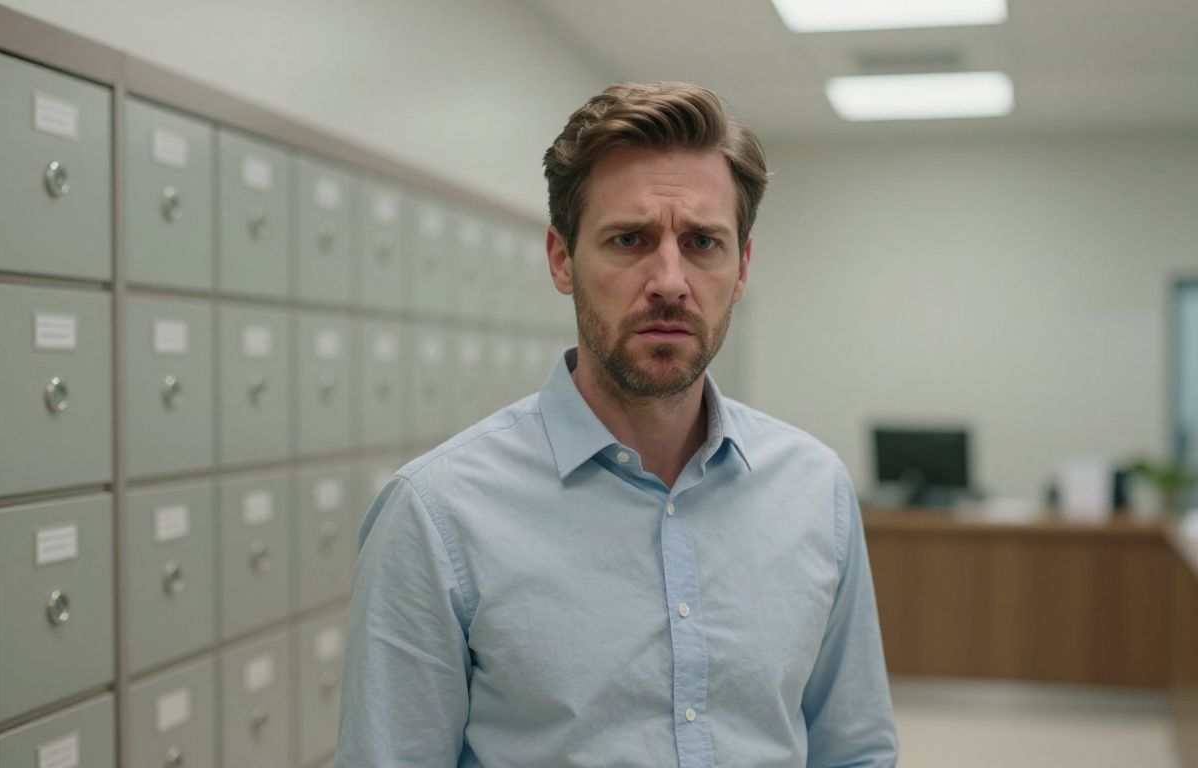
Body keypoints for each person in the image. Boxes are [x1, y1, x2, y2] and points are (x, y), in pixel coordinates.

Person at [334, 81, 898, 767]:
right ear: (562, 259)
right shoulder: (436, 515)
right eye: (629, 240)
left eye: (702, 243)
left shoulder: (816, 491)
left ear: (742, 267)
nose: (669, 279)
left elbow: (855, 750)